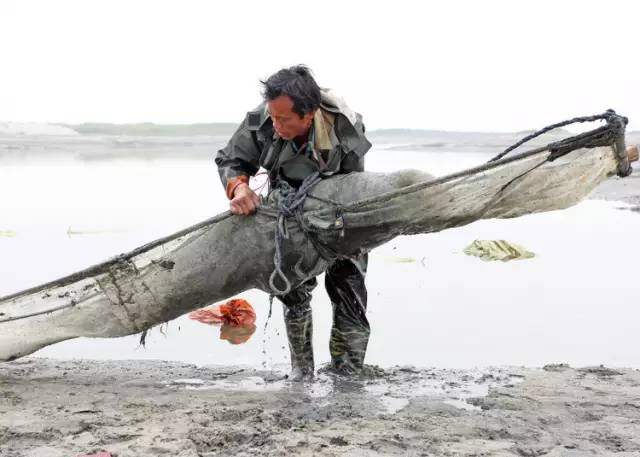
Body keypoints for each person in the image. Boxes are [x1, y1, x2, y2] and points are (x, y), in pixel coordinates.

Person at [215, 65, 372, 379]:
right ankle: (302, 373)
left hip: (340, 212)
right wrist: (239, 186)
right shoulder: (264, 120)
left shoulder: (344, 127)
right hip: (287, 210)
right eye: (274, 116)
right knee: (293, 291)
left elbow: (356, 184)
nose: (276, 124)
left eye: (284, 119)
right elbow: (232, 159)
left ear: (309, 113)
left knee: (348, 288)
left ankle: (349, 373)